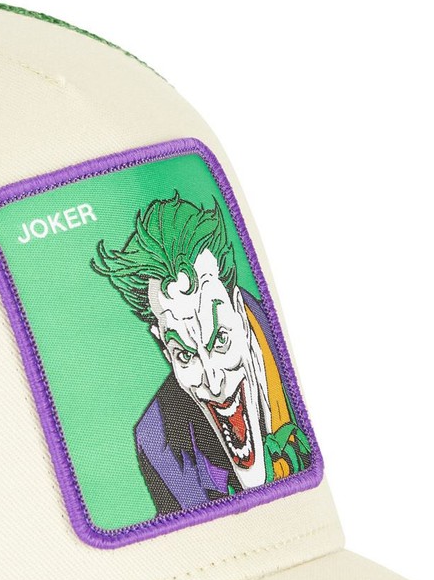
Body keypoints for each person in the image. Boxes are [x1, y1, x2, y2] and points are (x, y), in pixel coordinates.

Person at [92, 191, 310, 515]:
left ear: (239, 310)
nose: (213, 380)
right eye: (185, 355)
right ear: (165, 350)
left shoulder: (299, 336)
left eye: (220, 340)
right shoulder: (159, 446)